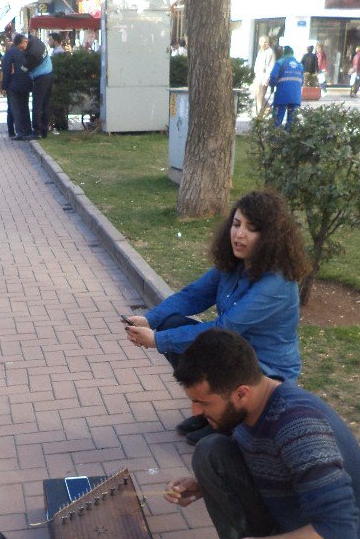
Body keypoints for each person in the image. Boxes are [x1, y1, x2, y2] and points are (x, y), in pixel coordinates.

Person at [165, 329, 360, 539]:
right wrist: (203, 485)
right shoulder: (258, 399)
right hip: (286, 521)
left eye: (202, 402)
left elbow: (339, 534)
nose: (195, 412)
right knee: (211, 452)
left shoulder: (300, 428)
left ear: (241, 393)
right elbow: (258, 458)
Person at [124, 190, 309, 444]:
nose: (239, 234)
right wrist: (151, 320)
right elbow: (193, 295)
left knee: (190, 341)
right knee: (172, 323)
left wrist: (157, 340)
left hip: (265, 370)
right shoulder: (234, 263)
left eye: (251, 229)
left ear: (270, 238)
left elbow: (226, 329)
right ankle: (208, 409)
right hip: (233, 353)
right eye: (236, 224)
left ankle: (225, 423)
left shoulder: (276, 284)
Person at [1, 33, 34, 140]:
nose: (26, 44)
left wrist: (4, 86)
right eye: (25, 42)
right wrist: (5, 86)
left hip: (17, 85)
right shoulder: (16, 53)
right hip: (18, 84)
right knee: (21, 108)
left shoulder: (14, 53)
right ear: (19, 42)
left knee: (18, 108)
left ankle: (21, 131)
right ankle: (24, 131)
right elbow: (7, 70)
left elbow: (7, 70)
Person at [26, 32, 53, 139]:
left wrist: (24, 68)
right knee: (45, 104)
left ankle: (36, 131)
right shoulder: (38, 44)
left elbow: (27, 67)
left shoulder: (32, 53)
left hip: (40, 78)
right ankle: (44, 130)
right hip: (49, 75)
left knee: (37, 105)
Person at [269, 45, 303, 129]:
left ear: (284, 53)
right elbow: (302, 81)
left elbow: (273, 77)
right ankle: (287, 139)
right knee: (291, 121)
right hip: (296, 96)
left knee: (277, 119)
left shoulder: (280, 62)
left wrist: (272, 86)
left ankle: (274, 139)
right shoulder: (299, 65)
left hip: (282, 95)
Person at [251, 36, 275, 115]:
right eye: (262, 42)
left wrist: (267, 78)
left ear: (268, 42)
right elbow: (257, 65)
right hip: (258, 76)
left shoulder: (270, 52)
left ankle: (259, 114)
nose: (264, 43)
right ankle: (268, 109)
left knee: (260, 96)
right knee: (256, 94)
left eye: (265, 42)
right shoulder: (260, 52)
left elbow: (270, 66)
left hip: (263, 77)